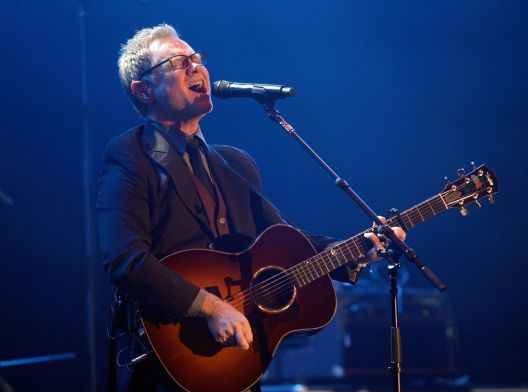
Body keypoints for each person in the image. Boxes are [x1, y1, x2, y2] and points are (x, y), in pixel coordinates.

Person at [96, 23, 405, 392]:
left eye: (197, 58)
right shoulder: (131, 155)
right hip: (169, 360)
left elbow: (290, 243)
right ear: (143, 90)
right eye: (180, 62)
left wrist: (359, 248)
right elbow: (124, 258)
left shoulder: (234, 164)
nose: (197, 67)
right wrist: (208, 307)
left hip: (237, 362)